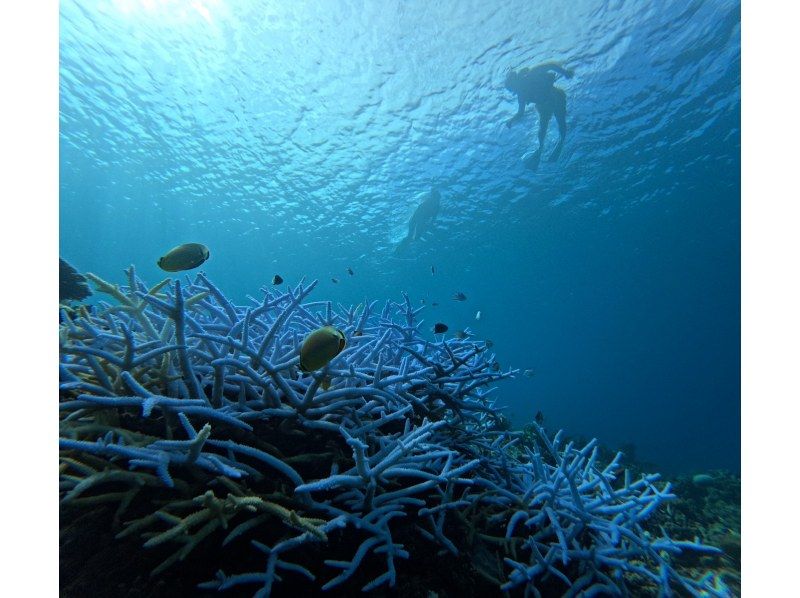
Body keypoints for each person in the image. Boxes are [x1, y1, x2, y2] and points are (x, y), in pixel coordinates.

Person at [505, 62, 574, 170]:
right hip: (544, 107)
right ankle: (540, 149)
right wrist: (511, 120)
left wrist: (565, 72)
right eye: (512, 90)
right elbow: (521, 113)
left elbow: (550, 65)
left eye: (512, 88)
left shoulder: (532, 73)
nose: (513, 92)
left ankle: (561, 140)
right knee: (542, 128)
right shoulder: (521, 96)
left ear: (515, 81)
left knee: (561, 122)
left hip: (556, 97)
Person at [395, 187, 441, 254]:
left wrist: (428, 224)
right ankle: (399, 249)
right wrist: (425, 223)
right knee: (412, 236)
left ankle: (401, 249)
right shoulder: (429, 202)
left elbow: (433, 218)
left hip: (419, 220)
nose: (437, 199)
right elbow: (420, 213)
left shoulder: (436, 206)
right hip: (416, 219)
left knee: (414, 237)